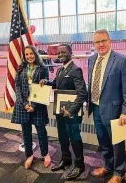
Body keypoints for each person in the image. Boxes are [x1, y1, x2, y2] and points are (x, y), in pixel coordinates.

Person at [88, 29, 126, 183]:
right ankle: (108, 166)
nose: (100, 44)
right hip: (96, 108)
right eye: (97, 42)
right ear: (94, 44)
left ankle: (119, 172)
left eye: (103, 41)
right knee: (103, 141)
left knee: (117, 143)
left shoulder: (122, 60)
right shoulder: (92, 59)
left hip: (115, 111)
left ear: (110, 41)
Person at [40, 43, 87, 180]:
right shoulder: (60, 70)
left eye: (63, 52)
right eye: (58, 53)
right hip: (60, 110)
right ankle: (66, 159)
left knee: (75, 138)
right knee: (62, 137)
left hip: (71, 112)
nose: (60, 55)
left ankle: (79, 164)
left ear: (71, 53)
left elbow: (82, 93)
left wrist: (71, 111)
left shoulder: (76, 70)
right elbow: (56, 84)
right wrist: (46, 81)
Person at [11, 45, 51, 169]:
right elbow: (17, 86)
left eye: (31, 53)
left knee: (41, 132)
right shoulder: (21, 68)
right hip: (23, 106)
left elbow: (44, 87)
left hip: (37, 106)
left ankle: (45, 154)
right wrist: (24, 103)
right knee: (26, 132)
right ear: (24, 56)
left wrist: (33, 105)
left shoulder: (43, 68)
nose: (29, 56)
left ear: (35, 54)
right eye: (26, 54)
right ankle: (29, 155)